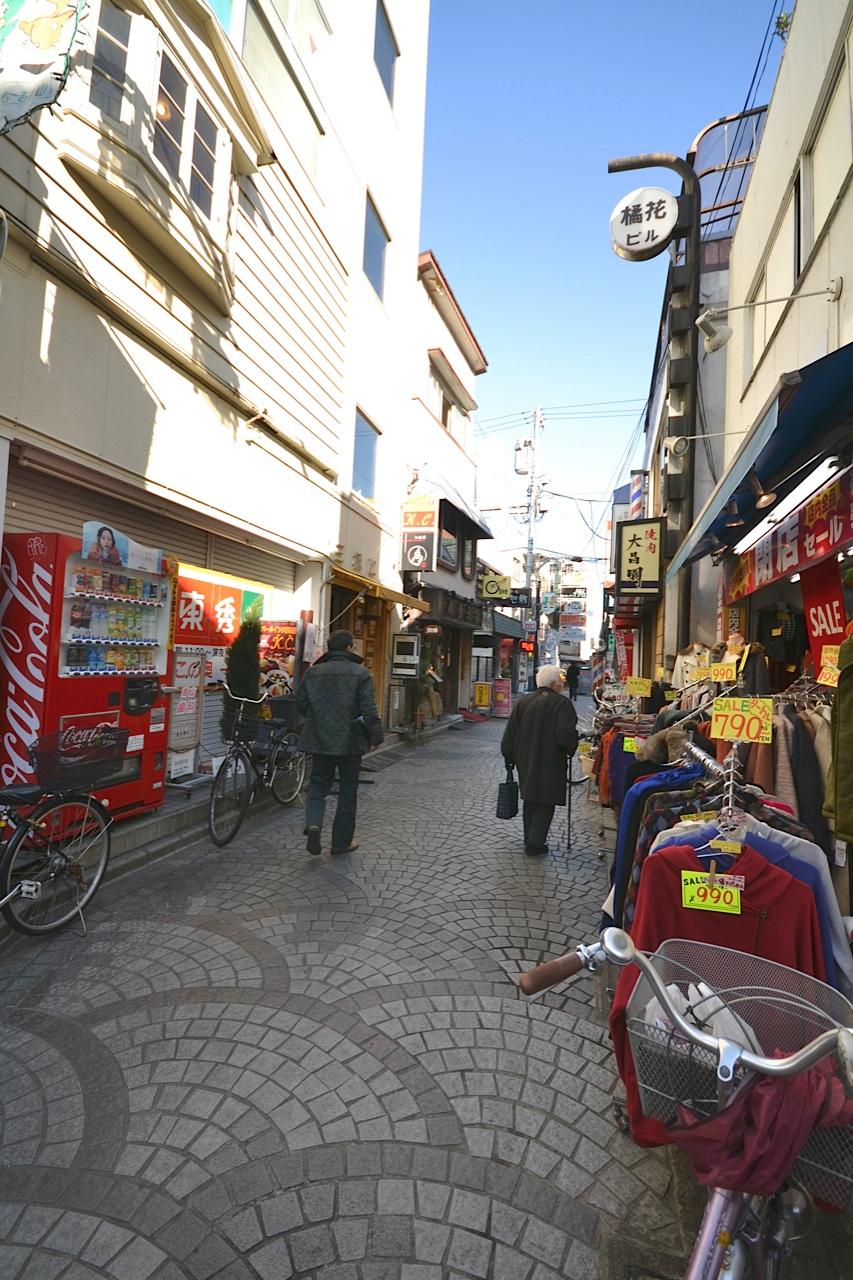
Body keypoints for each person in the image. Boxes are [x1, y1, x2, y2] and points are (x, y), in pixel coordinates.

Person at [295, 629, 383, 856]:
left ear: (329, 647)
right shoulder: (360, 673)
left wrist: (316, 719)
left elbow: (301, 703)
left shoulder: (314, 673)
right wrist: (375, 736)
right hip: (349, 741)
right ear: (349, 647)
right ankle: (340, 843)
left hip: (319, 738)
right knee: (347, 790)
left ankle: (314, 823)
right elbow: (369, 710)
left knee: (317, 784)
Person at [501, 664, 578, 855]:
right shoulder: (562, 704)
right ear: (554, 684)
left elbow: (509, 735)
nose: (562, 685)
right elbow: (564, 735)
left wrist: (509, 757)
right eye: (560, 682)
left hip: (525, 758)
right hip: (551, 760)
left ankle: (530, 839)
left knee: (530, 798)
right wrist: (570, 747)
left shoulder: (524, 701)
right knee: (546, 800)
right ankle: (535, 843)